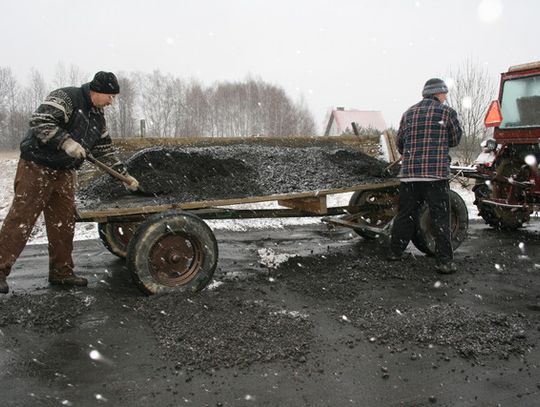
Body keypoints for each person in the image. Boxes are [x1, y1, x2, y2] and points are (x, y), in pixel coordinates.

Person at [0, 71, 139, 294]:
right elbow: (40, 121)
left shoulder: (97, 117)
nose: (112, 102)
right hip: (37, 167)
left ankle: (61, 272)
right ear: (97, 91)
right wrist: (66, 142)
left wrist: (124, 175)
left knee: (63, 223)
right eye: (110, 96)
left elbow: (105, 151)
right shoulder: (66, 98)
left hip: (64, 172)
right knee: (22, 219)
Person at [388, 78, 462, 274]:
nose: (445, 97)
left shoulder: (409, 113)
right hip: (435, 176)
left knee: (405, 215)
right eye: (444, 93)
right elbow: (455, 139)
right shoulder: (447, 112)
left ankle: (395, 252)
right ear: (438, 93)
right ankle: (444, 262)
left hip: (410, 175)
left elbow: (400, 143)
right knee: (440, 217)